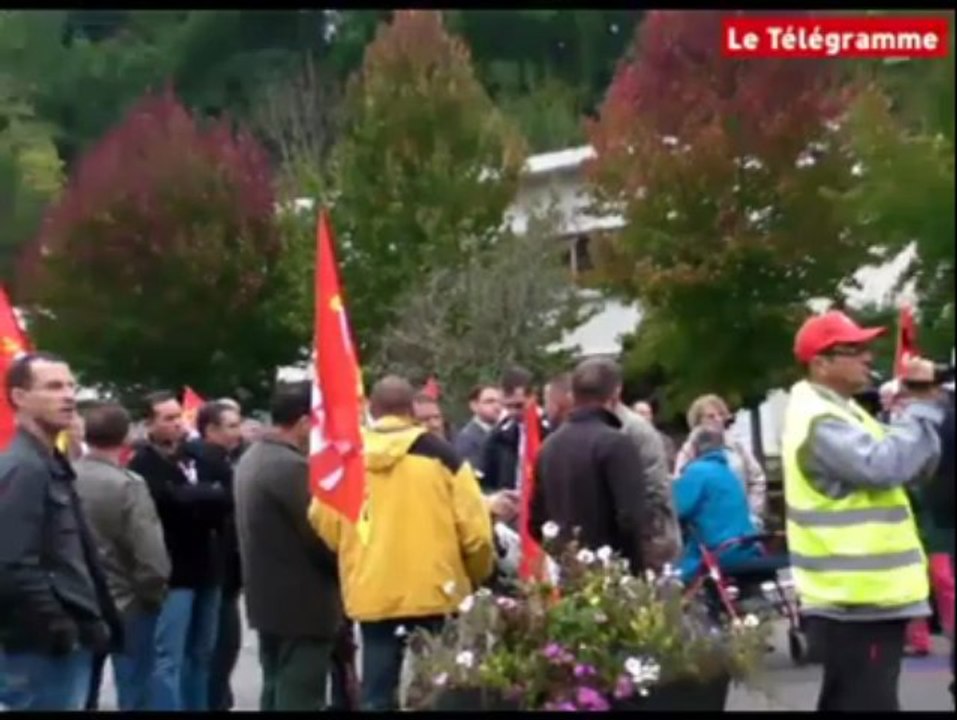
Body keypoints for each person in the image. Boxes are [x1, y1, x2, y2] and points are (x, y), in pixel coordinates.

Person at [782, 310, 943, 711]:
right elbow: (885, 466)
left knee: (851, 700)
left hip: (859, 597)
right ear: (821, 363)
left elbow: (912, 464)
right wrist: (921, 404)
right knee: (866, 702)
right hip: (854, 598)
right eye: (853, 350)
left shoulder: (840, 411)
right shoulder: (821, 421)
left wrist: (917, 413)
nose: (868, 357)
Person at [308, 376, 494, 711]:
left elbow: (322, 517)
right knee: (439, 690)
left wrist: (354, 552)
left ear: (372, 410)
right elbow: (476, 531)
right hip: (437, 588)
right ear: (411, 410)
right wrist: (476, 575)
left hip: (373, 587)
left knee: (377, 692)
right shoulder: (443, 456)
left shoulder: (347, 458)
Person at [0, 353, 121, 711]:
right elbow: (11, 563)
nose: (68, 395)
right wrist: (59, 628)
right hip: (42, 652)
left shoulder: (49, 461)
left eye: (71, 385)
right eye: (53, 387)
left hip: (66, 644)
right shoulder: (23, 468)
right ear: (19, 397)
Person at [234, 381, 343, 711]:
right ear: (305, 422)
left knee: (275, 686)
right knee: (300, 693)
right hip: (302, 604)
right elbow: (322, 535)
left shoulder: (254, 456)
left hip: (270, 600)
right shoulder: (291, 467)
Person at [127, 391, 230, 711]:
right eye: (167, 419)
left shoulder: (198, 456)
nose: (176, 425)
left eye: (178, 417)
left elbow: (225, 496)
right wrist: (197, 496)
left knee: (202, 653)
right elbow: (163, 503)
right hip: (172, 573)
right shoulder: (143, 464)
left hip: (207, 567)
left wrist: (191, 496)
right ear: (150, 424)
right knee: (168, 656)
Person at [73, 401, 170, 711]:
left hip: (78, 596)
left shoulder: (66, 477)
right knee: (135, 685)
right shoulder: (128, 486)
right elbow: (150, 554)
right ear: (127, 435)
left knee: (81, 688)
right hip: (128, 601)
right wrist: (153, 593)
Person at [528, 358, 646, 574]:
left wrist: (567, 559)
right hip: (613, 576)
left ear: (574, 395)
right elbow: (631, 518)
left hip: (570, 575)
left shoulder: (548, 448)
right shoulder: (616, 444)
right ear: (616, 393)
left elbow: (537, 522)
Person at [194, 401, 245, 712]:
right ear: (211, 430)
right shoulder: (208, 463)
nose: (237, 433)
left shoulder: (226, 461)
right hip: (217, 571)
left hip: (226, 573)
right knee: (219, 648)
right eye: (231, 426)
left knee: (224, 648)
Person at [672, 427, 760, 583]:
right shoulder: (729, 472)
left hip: (719, 553)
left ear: (694, 448)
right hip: (747, 549)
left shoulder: (696, 472)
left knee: (675, 574)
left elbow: (677, 509)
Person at [675, 394, 767, 527]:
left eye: (721, 415)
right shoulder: (689, 450)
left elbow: (757, 478)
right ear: (698, 421)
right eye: (711, 416)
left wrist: (752, 513)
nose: (718, 419)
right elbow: (681, 485)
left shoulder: (736, 445)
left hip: (742, 520)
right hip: (706, 526)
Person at [615, 399, 682, 572]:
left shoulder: (663, 441)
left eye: (647, 414)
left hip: (657, 517)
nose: (644, 417)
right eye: (640, 413)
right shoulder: (626, 436)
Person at [480, 366, 550, 494]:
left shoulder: (551, 432)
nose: (513, 412)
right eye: (507, 406)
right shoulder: (498, 437)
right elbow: (485, 483)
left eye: (519, 405)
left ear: (533, 397)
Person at [452, 384, 502, 477]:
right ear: (474, 406)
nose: (497, 406)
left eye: (500, 402)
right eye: (489, 401)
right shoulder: (466, 438)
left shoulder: (504, 432)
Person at [633, 400, 678, 472]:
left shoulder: (665, 440)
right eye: (641, 413)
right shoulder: (626, 439)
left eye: (648, 413)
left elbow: (671, 463)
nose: (646, 417)